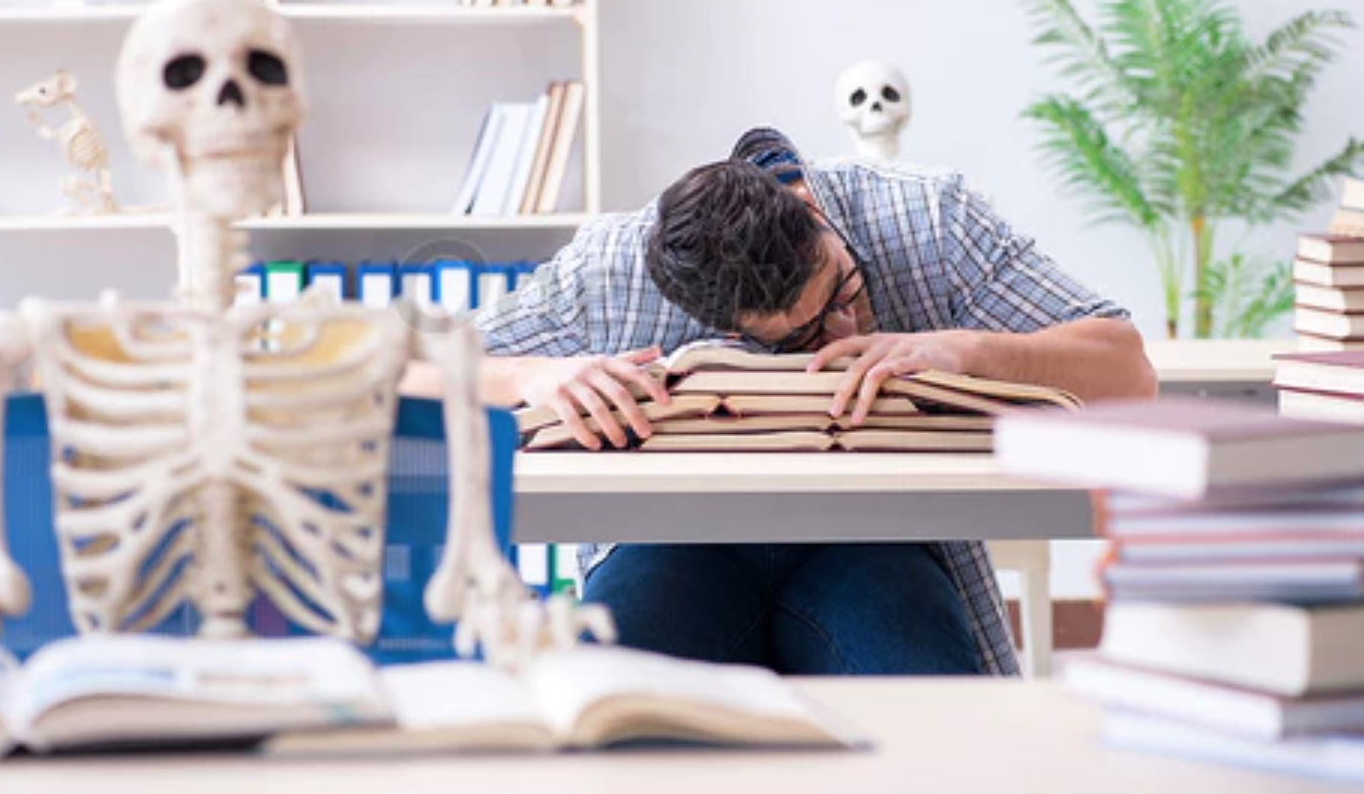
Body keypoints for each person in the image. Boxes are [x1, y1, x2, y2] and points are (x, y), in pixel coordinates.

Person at [475, 128, 1156, 676]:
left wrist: (968, 351)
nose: (841, 335)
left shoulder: (926, 214)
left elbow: (1128, 371)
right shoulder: (609, 267)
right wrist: (529, 378)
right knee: (602, 693)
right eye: (798, 336)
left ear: (812, 212)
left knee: (932, 702)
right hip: (675, 539)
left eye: (844, 291)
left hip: (877, 538)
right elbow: (407, 360)